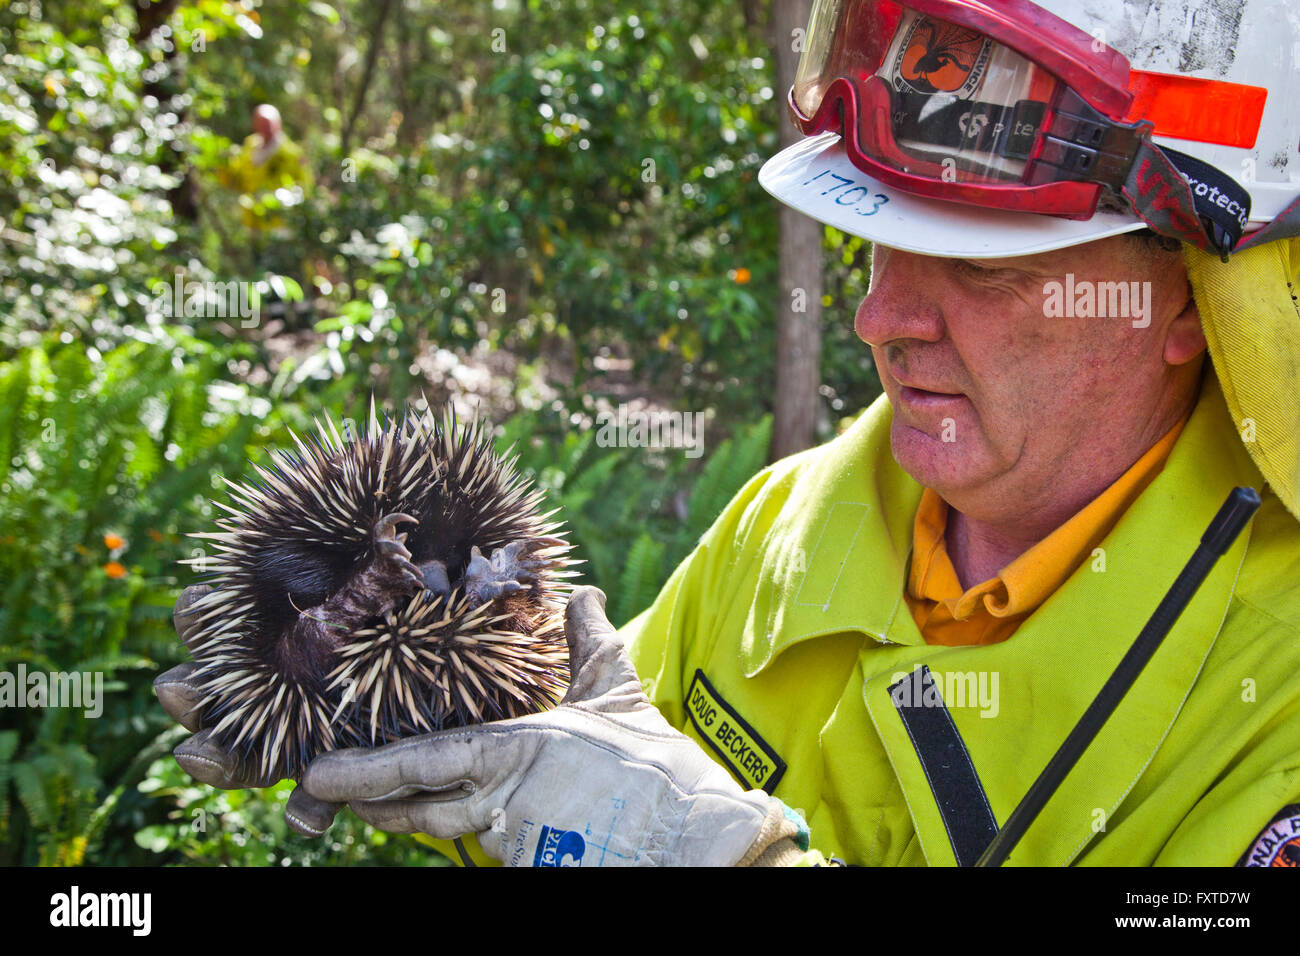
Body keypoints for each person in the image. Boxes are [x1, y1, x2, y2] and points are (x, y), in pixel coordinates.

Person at [155, 0, 1300, 866]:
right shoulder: (786, 525)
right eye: (874, 243)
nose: (878, 319)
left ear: (1190, 301)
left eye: (974, 269)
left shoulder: (1276, 703)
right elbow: (568, 785)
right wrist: (383, 696)